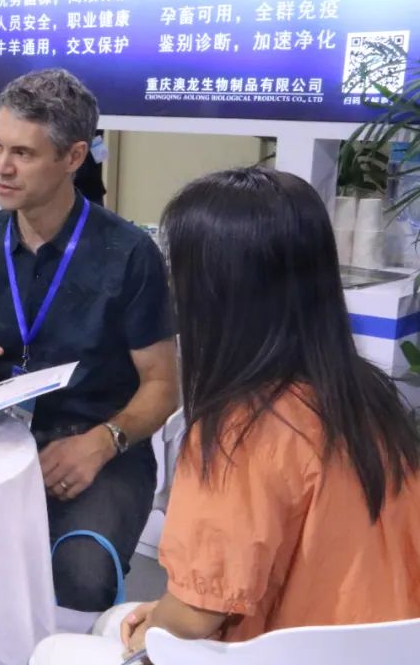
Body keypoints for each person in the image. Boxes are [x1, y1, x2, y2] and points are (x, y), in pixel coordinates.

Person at [29, 167, 420, 664]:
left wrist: (156, 623)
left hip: (278, 653)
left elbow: (197, 615)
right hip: (385, 649)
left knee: (63, 647)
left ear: (213, 293)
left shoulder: (241, 431)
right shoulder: (369, 398)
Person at [0, 69, 179, 612]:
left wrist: (102, 443)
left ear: (74, 157)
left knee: (80, 574)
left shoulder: (128, 255)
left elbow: (163, 385)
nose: (1, 167)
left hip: (100, 442)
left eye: (23, 154)